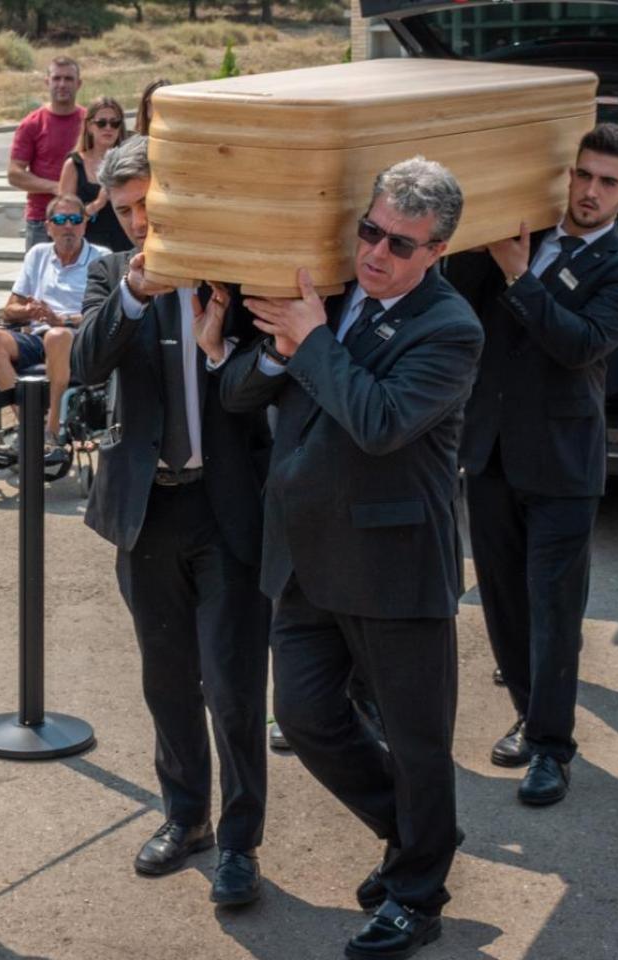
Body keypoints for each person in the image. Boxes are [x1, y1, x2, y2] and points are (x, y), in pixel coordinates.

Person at [219, 157, 483, 960]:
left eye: (400, 245)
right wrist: (276, 349)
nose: (376, 253)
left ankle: (416, 893)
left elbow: (379, 421)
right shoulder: (330, 293)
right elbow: (238, 394)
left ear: (437, 250)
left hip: (394, 565)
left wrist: (312, 340)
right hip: (302, 557)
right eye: (370, 231)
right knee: (304, 717)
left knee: (416, 740)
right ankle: (414, 839)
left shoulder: (451, 327)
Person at [71, 134, 273, 909]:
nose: (132, 222)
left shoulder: (232, 266)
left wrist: (218, 342)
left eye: (144, 207)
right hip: (145, 509)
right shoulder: (108, 271)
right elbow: (86, 363)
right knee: (166, 682)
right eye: (120, 210)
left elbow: (266, 381)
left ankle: (241, 843)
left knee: (230, 685)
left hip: (227, 510)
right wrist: (132, 292)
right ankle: (186, 816)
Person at [445, 124, 618, 808]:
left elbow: (579, 345)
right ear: (567, 176)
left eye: (606, 182)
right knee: (504, 604)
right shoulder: (515, 235)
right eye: (583, 175)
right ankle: (528, 712)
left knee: (554, 610)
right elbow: (455, 299)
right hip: (491, 454)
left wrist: (518, 274)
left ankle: (551, 750)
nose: (591, 191)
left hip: (564, 466)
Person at [0, 194, 107, 454]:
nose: (67, 226)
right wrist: (29, 310)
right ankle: (29, 425)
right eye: (60, 219)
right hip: (39, 334)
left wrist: (64, 319)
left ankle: (52, 428)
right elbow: (10, 309)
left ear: (84, 224)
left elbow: (106, 311)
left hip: (79, 338)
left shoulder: (101, 257)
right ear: (48, 226)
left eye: (74, 219)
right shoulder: (38, 254)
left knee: (57, 335)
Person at [9, 57, 86, 251]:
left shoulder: (91, 122)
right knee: (39, 281)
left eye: (68, 79)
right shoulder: (32, 124)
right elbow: (14, 173)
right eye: (57, 78)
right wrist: (56, 188)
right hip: (42, 222)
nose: (62, 84)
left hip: (83, 220)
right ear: (47, 82)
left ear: (79, 84)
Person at [58, 96, 134, 253]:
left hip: (126, 248)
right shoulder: (74, 165)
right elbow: (64, 221)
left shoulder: (131, 162)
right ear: (89, 126)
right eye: (101, 123)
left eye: (115, 123)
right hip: (88, 251)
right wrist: (98, 203)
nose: (108, 128)